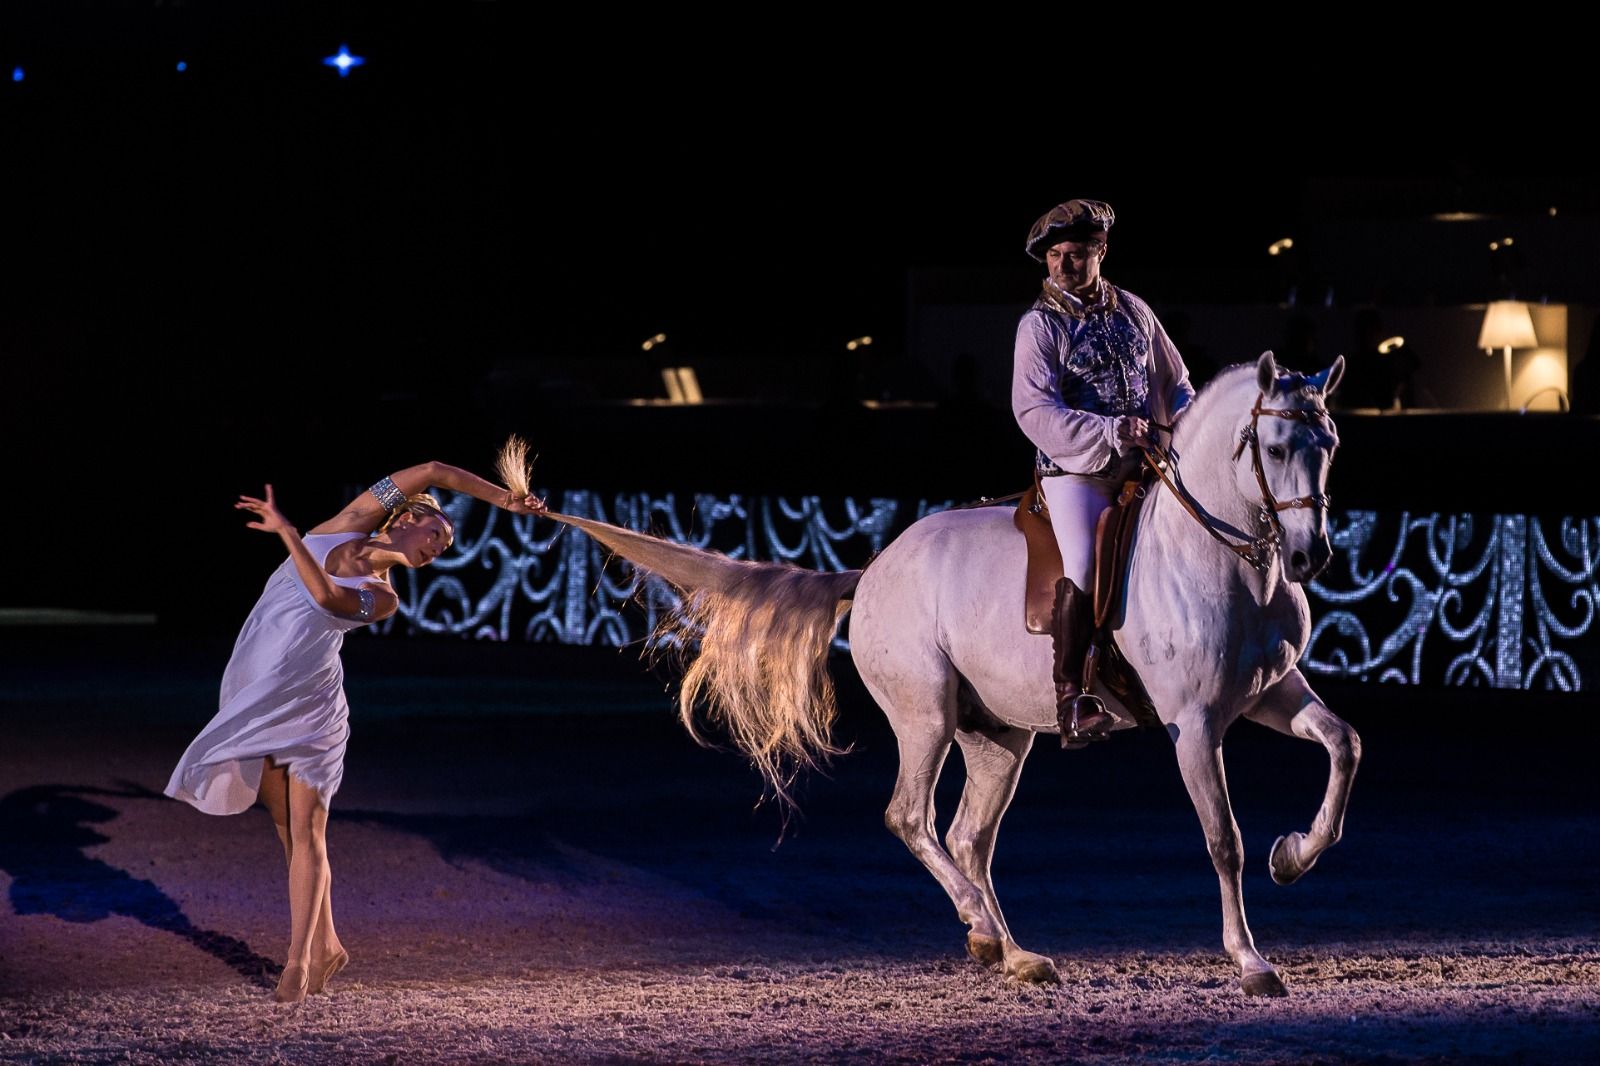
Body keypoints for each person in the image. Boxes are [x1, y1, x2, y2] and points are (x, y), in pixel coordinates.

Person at [165, 461, 544, 1002]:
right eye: (436, 534)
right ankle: (329, 944)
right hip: (259, 692)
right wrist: (503, 499)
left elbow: (325, 599)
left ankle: (296, 964)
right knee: (285, 831)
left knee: (308, 830)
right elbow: (435, 470)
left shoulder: (383, 598)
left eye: (445, 546)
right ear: (408, 516)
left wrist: (290, 534)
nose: (439, 548)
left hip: (313, 709)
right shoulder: (347, 522)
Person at [1011, 199, 1194, 742]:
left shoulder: (1134, 310)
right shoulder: (1039, 327)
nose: (1066, 265)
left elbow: (1174, 379)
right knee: (1086, 563)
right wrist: (1111, 431)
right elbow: (1034, 410)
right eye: (1058, 256)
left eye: (1078, 255)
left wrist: (1186, 422)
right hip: (1076, 472)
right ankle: (1071, 695)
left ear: (1101, 252)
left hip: (1145, 462)